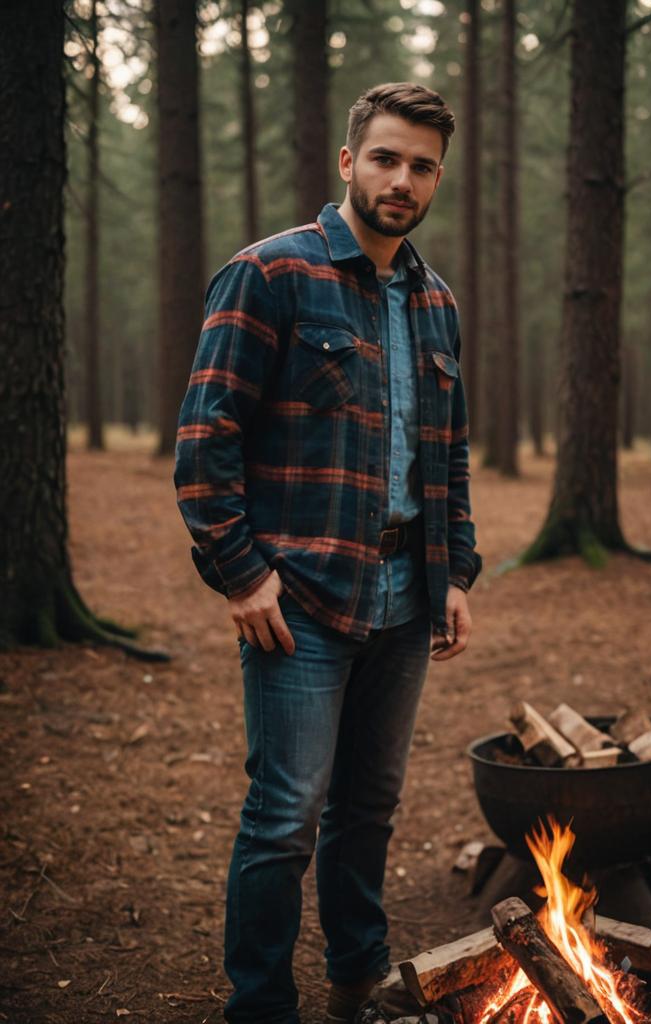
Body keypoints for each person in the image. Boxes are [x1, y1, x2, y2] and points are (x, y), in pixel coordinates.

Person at [174, 82, 482, 1024]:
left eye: (421, 166)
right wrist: (240, 573)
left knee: (369, 808)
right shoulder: (270, 274)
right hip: (300, 596)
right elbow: (204, 438)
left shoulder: (435, 301)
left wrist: (457, 572)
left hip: (405, 597)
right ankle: (260, 1004)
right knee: (284, 817)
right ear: (348, 161)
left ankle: (360, 974)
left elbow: (448, 451)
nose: (402, 179)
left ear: (436, 179)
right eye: (386, 158)